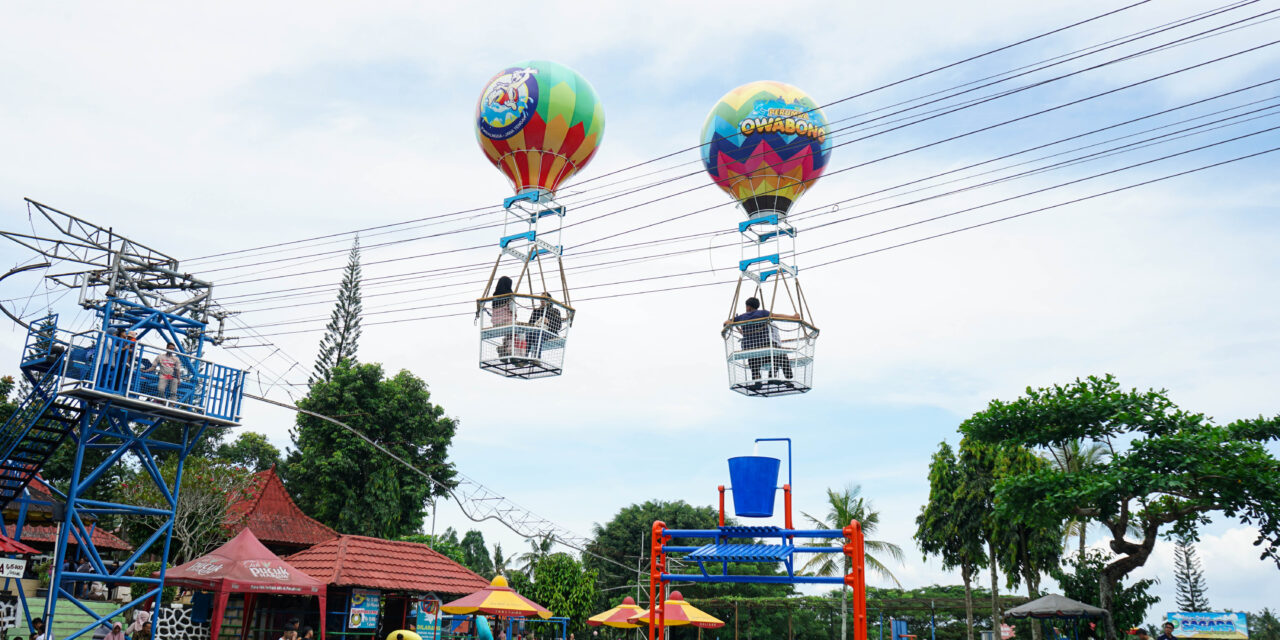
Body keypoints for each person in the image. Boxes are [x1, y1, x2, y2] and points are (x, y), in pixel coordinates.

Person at [724, 297, 799, 384]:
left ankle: (757, 380)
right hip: (764, 345)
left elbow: (726, 323)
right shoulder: (763, 313)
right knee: (779, 355)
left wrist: (729, 322)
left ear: (748, 307)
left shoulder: (742, 317)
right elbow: (776, 316)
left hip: (750, 348)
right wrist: (793, 317)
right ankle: (783, 378)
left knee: (753, 359)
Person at [525, 293, 563, 360]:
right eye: (541, 298)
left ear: (549, 300)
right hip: (536, 331)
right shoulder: (536, 311)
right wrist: (537, 323)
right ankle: (525, 357)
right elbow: (530, 324)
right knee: (528, 334)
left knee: (538, 334)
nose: (542, 300)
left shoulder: (555, 311)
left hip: (550, 332)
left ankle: (537, 358)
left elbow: (559, 326)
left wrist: (548, 323)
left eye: (544, 298)